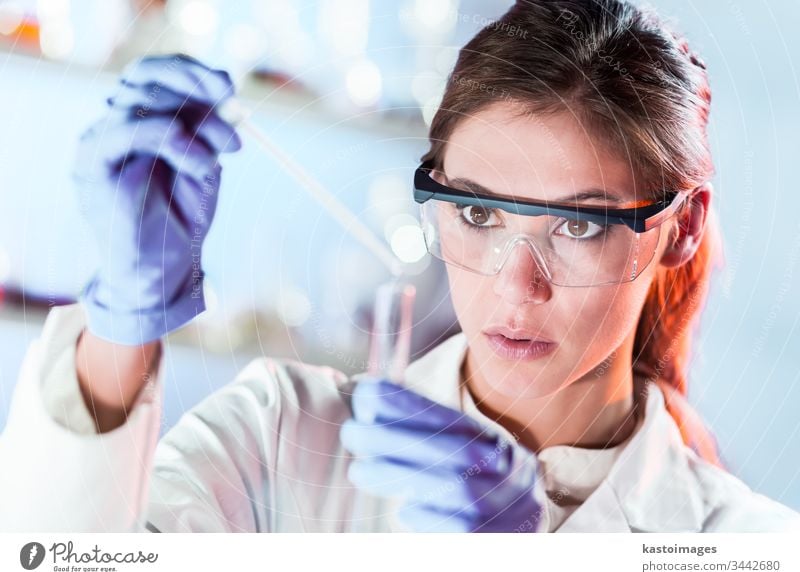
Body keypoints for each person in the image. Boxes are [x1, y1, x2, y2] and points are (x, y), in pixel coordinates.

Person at [2, 0, 799, 533]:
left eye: (578, 224)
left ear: (681, 226)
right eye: (480, 212)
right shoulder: (278, 438)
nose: (514, 286)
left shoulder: (745, 544)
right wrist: (122, 320)